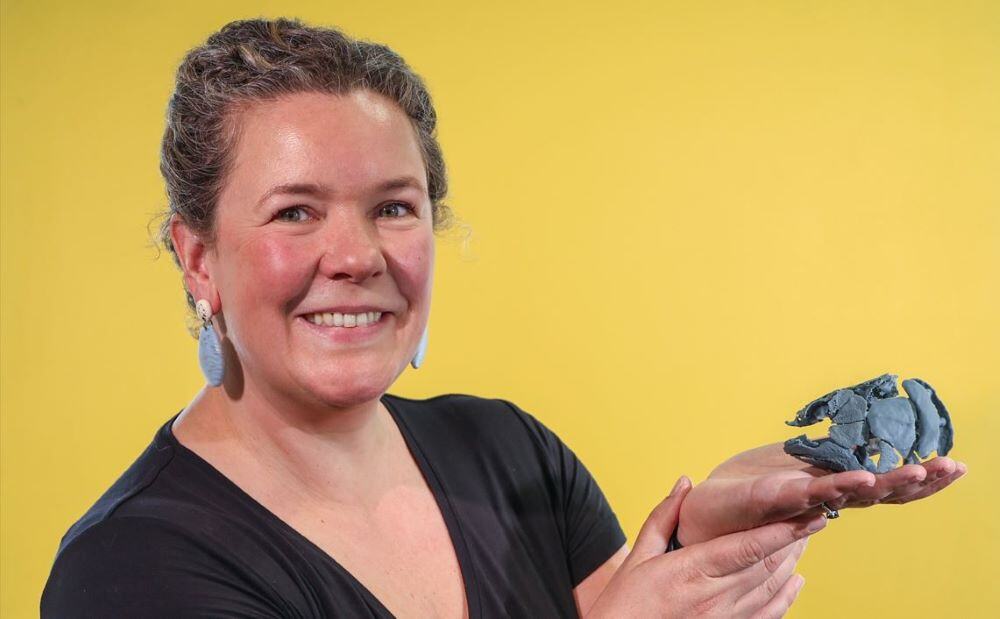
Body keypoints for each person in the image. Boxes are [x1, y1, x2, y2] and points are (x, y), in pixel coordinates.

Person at [40, 18, 966, 618]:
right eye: (295, 211)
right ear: (198, 256)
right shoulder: (130, 569)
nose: (358, 254)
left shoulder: (512, 455)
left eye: (394, 207)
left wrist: (703, 537)